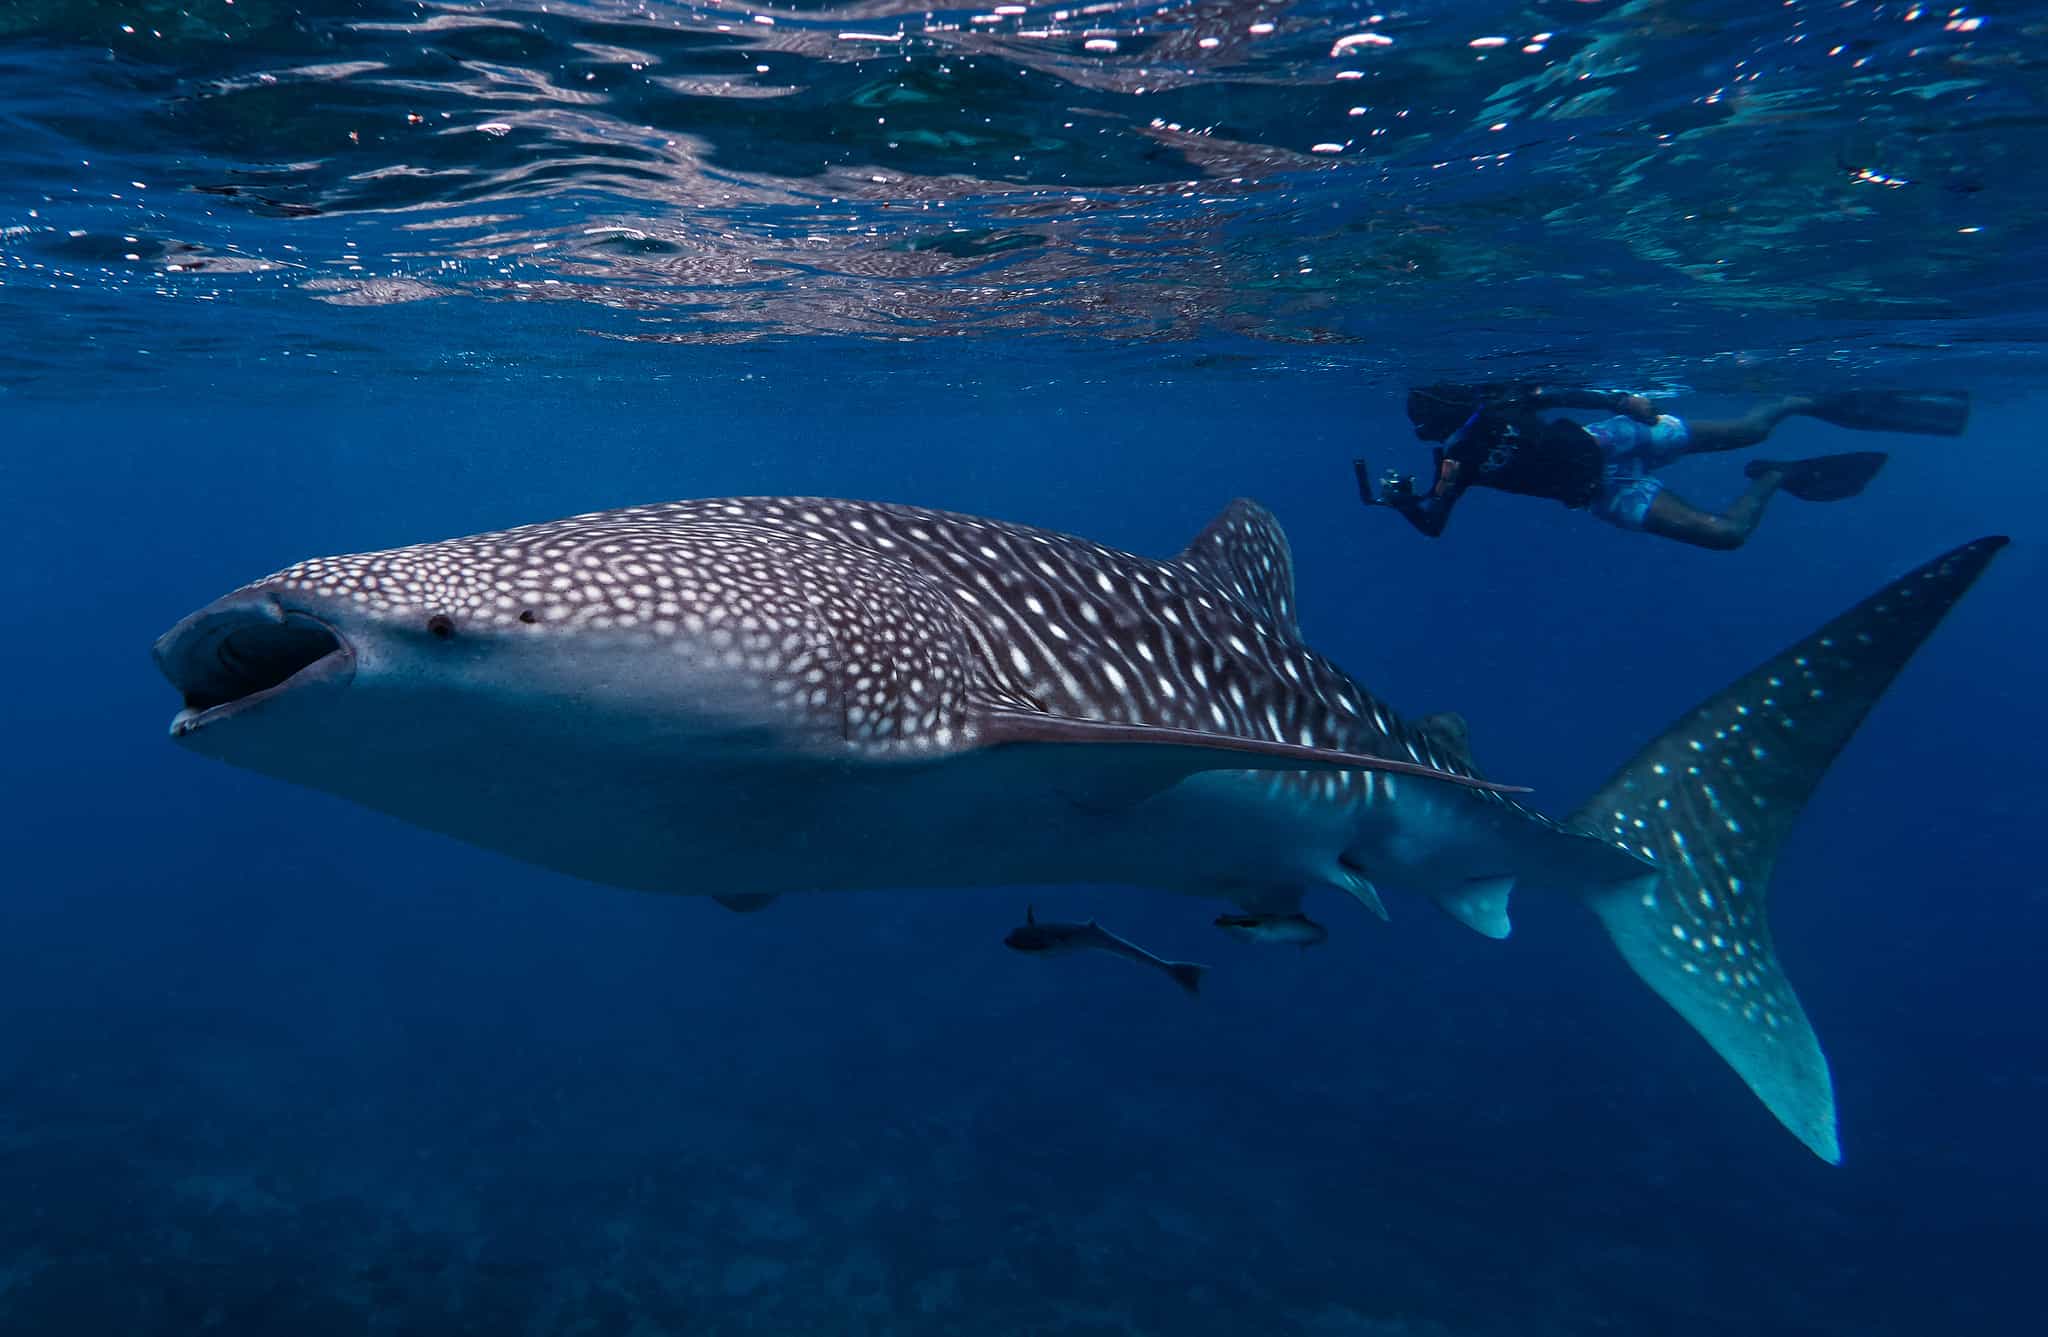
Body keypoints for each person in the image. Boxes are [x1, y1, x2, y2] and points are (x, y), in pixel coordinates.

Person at [1354, 383, 1964, 550]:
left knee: (1749, 427)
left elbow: (1563, 391)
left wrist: (1623, 402)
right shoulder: (1456, 464)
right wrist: (1408, 501)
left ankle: (1808, 400)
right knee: (1726, 536)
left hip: (1617, 435)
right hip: (1602, 491)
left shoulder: (1501, 399)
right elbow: (1435, 524)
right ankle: (1777, 474)